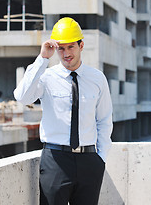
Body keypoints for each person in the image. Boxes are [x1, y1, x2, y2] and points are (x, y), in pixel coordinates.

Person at [14, 17, 113, 205]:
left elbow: (104, 119)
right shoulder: (46, 77)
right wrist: (43, 58)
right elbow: (22, 97)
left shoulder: (97, 79)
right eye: (61, 48)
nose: (66, 53)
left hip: (89, 161)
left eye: (70, 47)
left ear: (81, 45)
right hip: (55, 160)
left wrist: (101, 158)